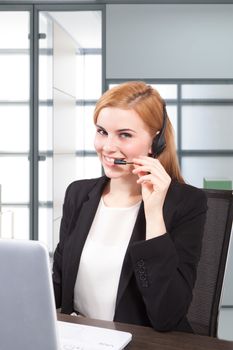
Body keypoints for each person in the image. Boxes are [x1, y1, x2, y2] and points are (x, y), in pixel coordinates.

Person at [52, 81, 207, 333]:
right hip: (82, 337)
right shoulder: (79, 194)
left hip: (140, 342)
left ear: (154, 143)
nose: (107, 147)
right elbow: (59, 281)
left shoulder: (186, 204)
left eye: (124, 135)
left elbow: (166, 315)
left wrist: (154, 212)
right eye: (102, 131)